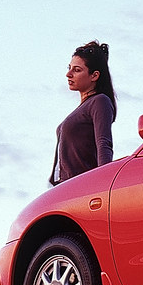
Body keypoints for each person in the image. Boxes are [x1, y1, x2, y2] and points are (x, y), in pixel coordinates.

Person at [49, 40, 117, 185]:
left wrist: (104, 184)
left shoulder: (99, 101)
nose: (68, 74)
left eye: (77, 70)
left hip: (82, 187)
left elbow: (104, 143)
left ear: (94, 75)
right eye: (69, 68)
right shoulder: (82, 108)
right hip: (64, 187)